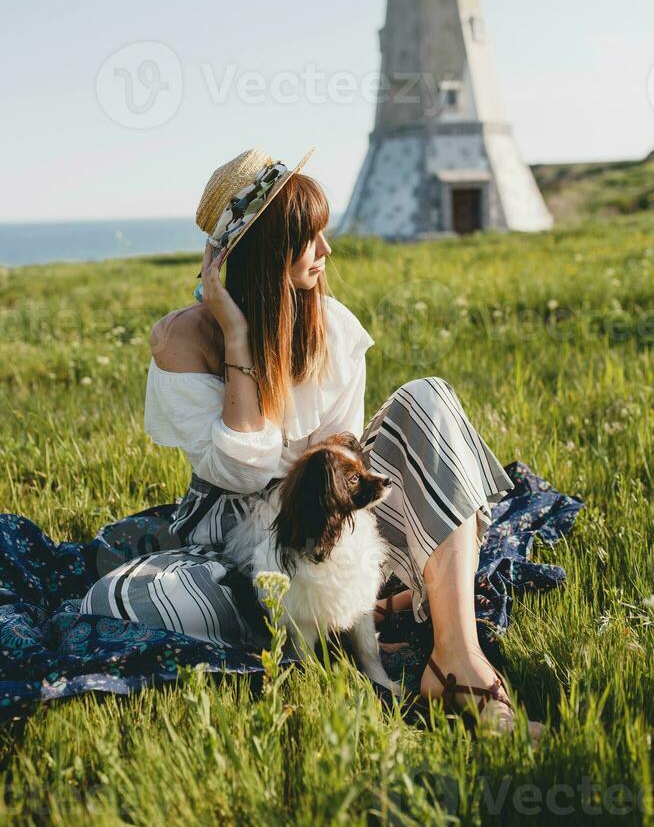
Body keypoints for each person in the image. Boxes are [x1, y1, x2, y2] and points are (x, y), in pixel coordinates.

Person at [81, 147, 542, 741]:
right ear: (266, 252)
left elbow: (342, 451)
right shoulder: (182, 340)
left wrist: (338, 527)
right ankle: (364, 608)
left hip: (333, 517)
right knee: (134, 602)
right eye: (309, 238)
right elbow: (242, 475)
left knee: (427, 396)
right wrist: (239, 338)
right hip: (234, 535)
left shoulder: (334, 326)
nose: (326, 252)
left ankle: (457, 662)